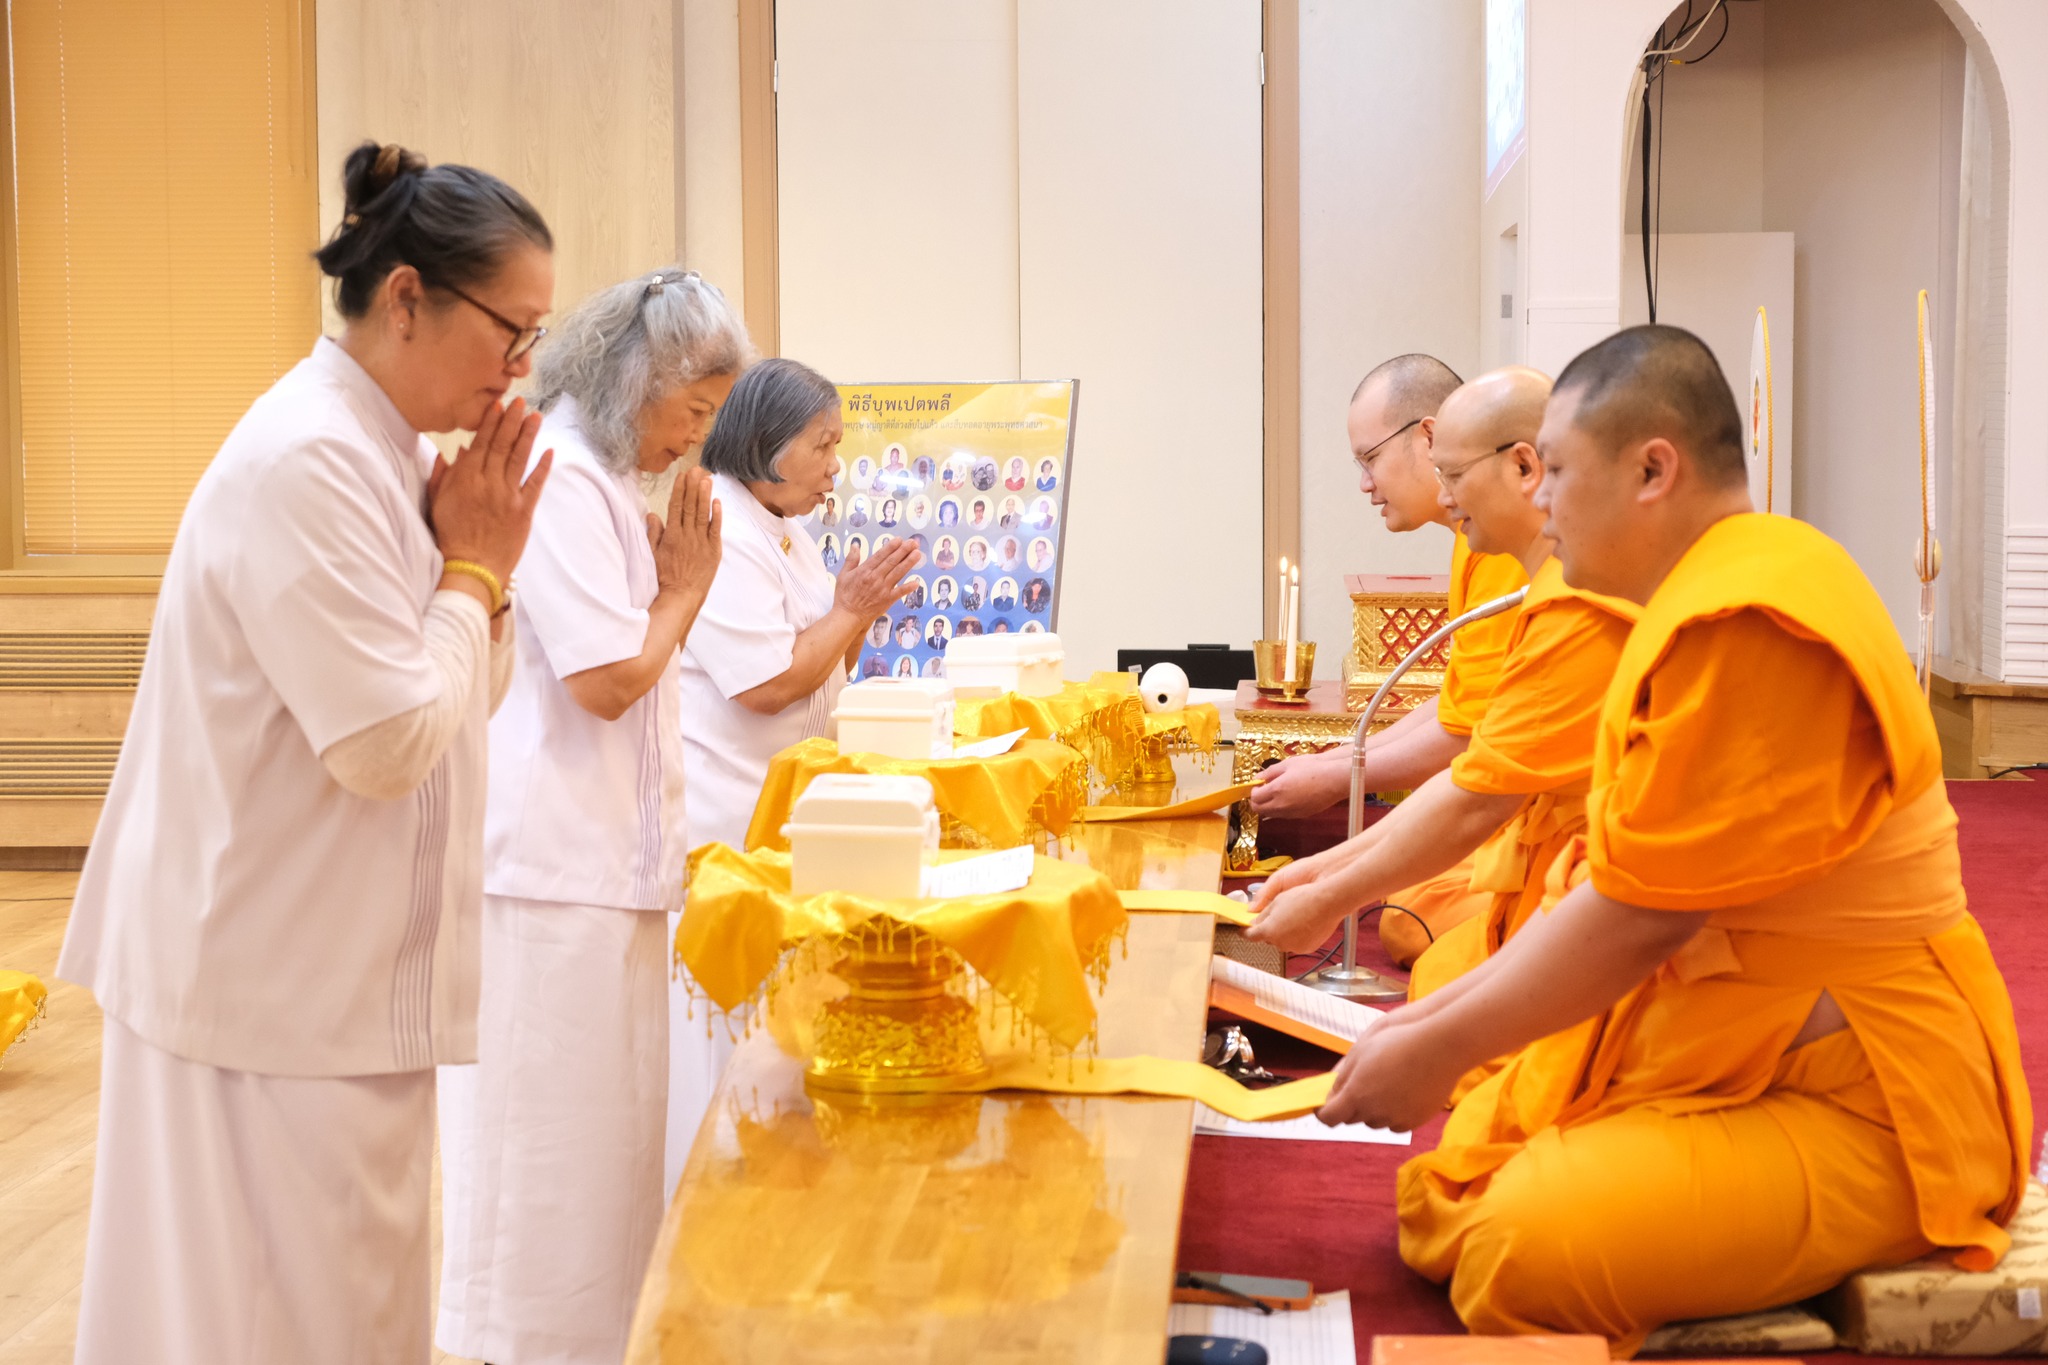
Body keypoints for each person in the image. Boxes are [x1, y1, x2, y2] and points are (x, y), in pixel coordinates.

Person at [1306, 326, 2029, 1349]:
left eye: (1555, 470)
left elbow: (1640, 914)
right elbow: (1619, 875)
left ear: (1652, 469)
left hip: (1868, 1094)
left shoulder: (1750, 617)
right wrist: (1425, 1038)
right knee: (1462, 1172)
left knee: (1510, 1244)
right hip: (1726, 1030)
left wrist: (1440, 1043)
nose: (1540, 499)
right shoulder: (1689, 597)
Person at [58, 141, 553, 1365]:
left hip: (318, 968)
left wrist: (473, 577)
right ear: (404, 301)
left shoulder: (386, 455)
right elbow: (386, 742)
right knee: (266, 1319)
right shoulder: (309, 458)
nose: (519, 371)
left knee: (338, 1311)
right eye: (511, 332)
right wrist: (476, 568)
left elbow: (458, 700)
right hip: (263, 982)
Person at [438, 268, 744, 1365]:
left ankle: (593, 1342)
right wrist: (681, 595)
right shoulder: (564, 474)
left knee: (605, 1151)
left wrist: (670, 596)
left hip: (604, 871)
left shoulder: (606, 480)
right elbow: (608, 678)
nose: (693, 441)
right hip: (546, 875)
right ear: (637, 381)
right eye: (693, 411)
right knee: (541, 1160)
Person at [1245, 368, 1638, 1027]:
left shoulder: (1582, 596)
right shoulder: (1533, 573)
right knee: (1427, 954)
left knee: (1432, 976)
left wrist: (1330, 887)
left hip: (1618, 885)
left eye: (1453, 476)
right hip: (1558, 851)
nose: (1447, 497)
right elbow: (1473, 718)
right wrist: (1327, 873)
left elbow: (1479, 789)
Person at [675, 358, 920, 1188]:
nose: (834, 464)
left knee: (782, 1027)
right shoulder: (724, 527)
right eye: (822, 444)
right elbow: (766, 683)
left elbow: (825, 666)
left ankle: (777, 1166)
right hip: (730, 816)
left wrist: (859, 613)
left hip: (790, 807)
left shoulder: (784, 525)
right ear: (768, 445)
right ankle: (723, 1181)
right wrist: (848, 610)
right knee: (733, 1034)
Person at [1250, 354, 1529, 965]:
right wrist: (1342, 761)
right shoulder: (1478, 545)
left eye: (1370, 459)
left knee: (1408, 922)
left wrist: (1336, 786)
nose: (1364, 484)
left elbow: (1471, 746)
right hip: (1525, 819)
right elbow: (1462, 704)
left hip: (1562, 838)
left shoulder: (1516, 554)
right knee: (1409, 902)